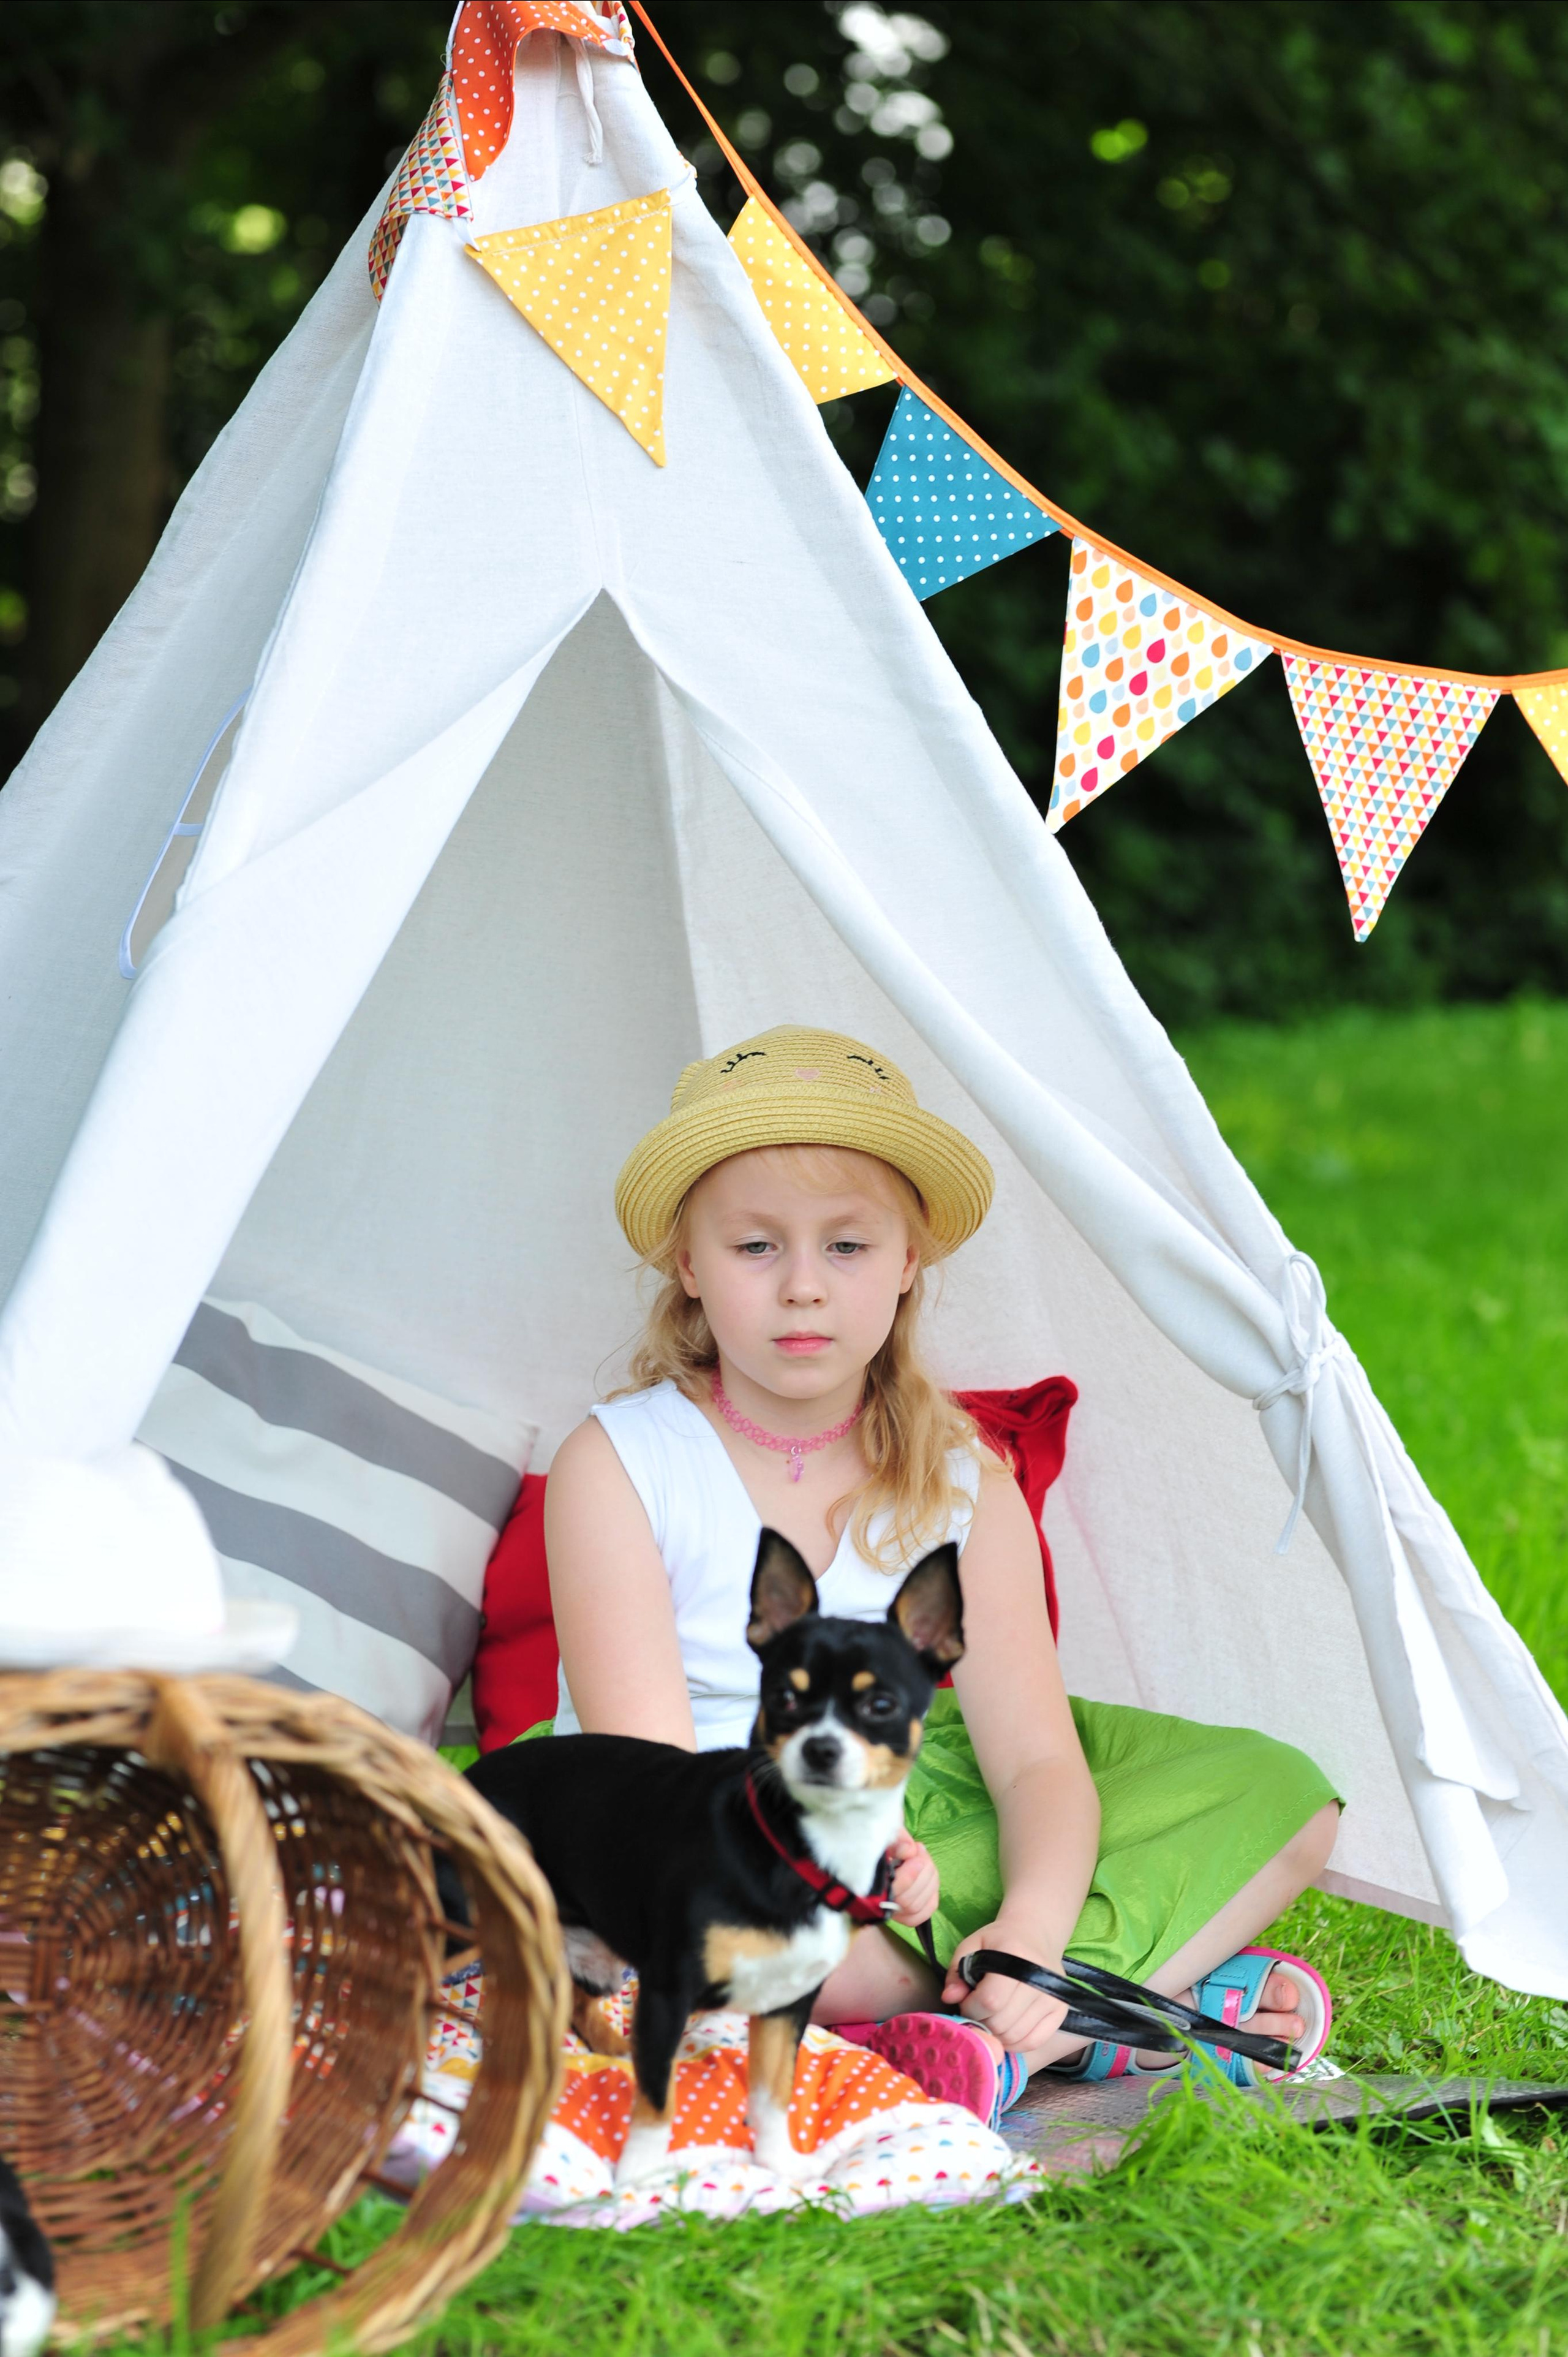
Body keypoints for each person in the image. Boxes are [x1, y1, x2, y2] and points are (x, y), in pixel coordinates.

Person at [540, 1024, 1340, 2129]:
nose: (804, 1288)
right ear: (690, 1265)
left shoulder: (964, 1477)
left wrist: (1034, 1931)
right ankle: (1126, 2009)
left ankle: (1034, 2016)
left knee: (1282, 1798)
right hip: (702, 1826)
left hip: (916, 1801)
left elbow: (1035, 1761)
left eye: (848, 1247)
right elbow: (651, 1789)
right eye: (756, 1247)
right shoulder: (620, 1464)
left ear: (909, 1263)